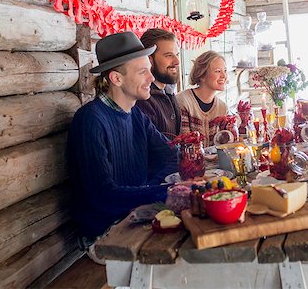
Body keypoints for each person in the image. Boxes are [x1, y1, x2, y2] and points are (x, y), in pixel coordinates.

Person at [67, 31, 178, 251]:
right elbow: (103, 197)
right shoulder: (90, 120)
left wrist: (150, 187)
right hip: (104, 235)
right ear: (116, 78)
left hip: (136, 218)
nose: (151, 78)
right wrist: (166, 191)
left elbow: (172, 155)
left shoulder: (135, 114)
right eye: (143, 72)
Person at [136, 28, 181, 139]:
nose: (177, 61)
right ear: (149, 60)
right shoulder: (143, 99)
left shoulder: (168, 91)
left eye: (177, 54)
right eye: (169, 55)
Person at [177, 50, 228, 146]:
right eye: (218, 71)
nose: (224, 76)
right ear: (202, 76)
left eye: (225, 71)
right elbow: (186, 144)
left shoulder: (222, 108)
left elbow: (226, 144)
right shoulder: (183, 101)